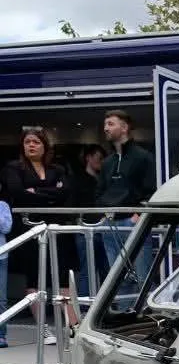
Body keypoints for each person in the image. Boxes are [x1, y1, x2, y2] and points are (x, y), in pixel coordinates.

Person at [1, 127, 73, 344]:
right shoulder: (13, 168)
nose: (31, 145)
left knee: (62, 276)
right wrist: (50, 192)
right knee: (35, 277)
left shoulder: (57, 168)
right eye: (27, 142)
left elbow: (65, 192)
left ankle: (73, 327)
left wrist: (36, 192)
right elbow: (17, 192)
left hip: (55, 227)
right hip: (29, 228)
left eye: (36, 142)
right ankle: (43, 328)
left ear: (45, 146)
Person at [96, 110, 156, 304]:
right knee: (117, 280)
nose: (106, 128)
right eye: (105, 124)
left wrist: (138, 214)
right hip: (110, 224)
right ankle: (124, 322)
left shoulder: (143, 157)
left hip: (133, 223)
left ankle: (145, 323)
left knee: (142, 277)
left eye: (111, 124)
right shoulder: (107, 162)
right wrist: (104, 214)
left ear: (125, 127)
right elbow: (99, 192)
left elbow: (151, 189)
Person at [71, 143, 107, 297]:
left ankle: (108, 307)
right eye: (99, 158)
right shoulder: (77, 181)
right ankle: (86, 310)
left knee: (108, 269)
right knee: (87, 271)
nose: (102, 162)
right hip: (85, 229)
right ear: (88, 158)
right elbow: (72, 205)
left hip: (104, 228)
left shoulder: (104, 180)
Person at [0, 178, 12, 348]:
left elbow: (7, 227)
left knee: (1, 298)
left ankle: (1, 334)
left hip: (0, 256)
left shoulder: (3, 205)